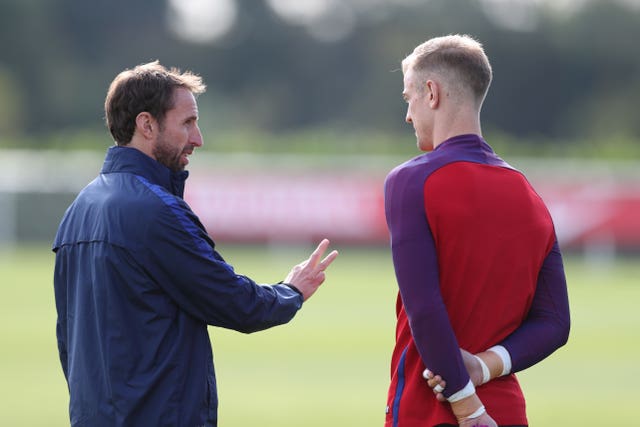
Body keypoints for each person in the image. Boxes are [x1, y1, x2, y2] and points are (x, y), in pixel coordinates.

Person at [52, 61, 338, 427]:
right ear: (147, 124)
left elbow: (68, 341)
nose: (198, 137)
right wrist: (291, 291)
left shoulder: (78, 211)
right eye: (187, 122)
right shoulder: (155, 213)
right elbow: (235, 302)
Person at [383, 34, 570, 427]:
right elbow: (555, 322)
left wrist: (470, 409)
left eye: (408, 98)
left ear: (431, 93)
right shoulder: (529, 193)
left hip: (433, 412)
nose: (408, 115)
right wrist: (483, 367)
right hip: (507, 413)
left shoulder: (410, 181)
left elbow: (425, 308)